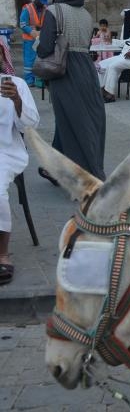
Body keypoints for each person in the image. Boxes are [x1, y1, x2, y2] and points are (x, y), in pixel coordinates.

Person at [36, 0, 106, 181]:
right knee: (79, 118)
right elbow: (85, 45)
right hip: (86, 70)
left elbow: (45, 48)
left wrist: (37, 43)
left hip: (65, 72)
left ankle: (83, 176)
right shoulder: (86, 15)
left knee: (72, 122)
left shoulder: (53, 11)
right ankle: (54, 168)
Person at [0, 37, 40, 286]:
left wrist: (16, 101)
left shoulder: (17, 84)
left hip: (6, 152)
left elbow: (31, 125)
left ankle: (2, 253)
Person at [97, 11, 130, 103]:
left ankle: (110, 94)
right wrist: (113, 41)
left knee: (112, 66)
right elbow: (127, 41)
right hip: (123, 56)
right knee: (102, 64)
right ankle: (102, 89)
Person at [19, 0, 48, 87]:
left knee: (40, 58)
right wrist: (32, 32)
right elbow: (23, 24)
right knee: (29, 60)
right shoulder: (27, 8)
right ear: (36, 0)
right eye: (41, 2)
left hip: (41, 37)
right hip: (29, 39)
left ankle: (38, 79)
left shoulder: (45, 9)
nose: (43, 4)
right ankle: (29, 80)